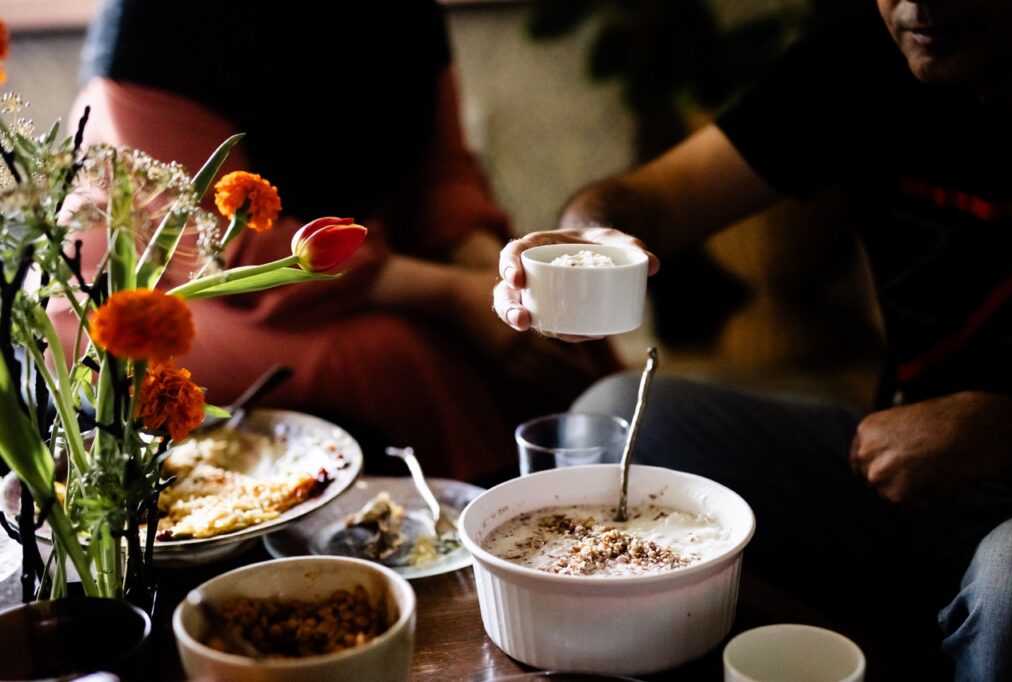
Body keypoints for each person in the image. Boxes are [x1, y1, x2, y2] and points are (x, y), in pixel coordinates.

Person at [494, 1, 1012, 679]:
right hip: (899, 468)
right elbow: (650, 200)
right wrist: (587, 240)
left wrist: (1006, 428)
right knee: (608, 408)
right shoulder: (867, 53)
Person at [55, 0, 619, 483]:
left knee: (561, 319)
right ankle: (478, 560)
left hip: (343, 265)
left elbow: (443, 174)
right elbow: (224, 250)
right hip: (162, 289)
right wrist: (454, 296)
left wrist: (497, 279)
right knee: (398, 360)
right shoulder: (154, 23)